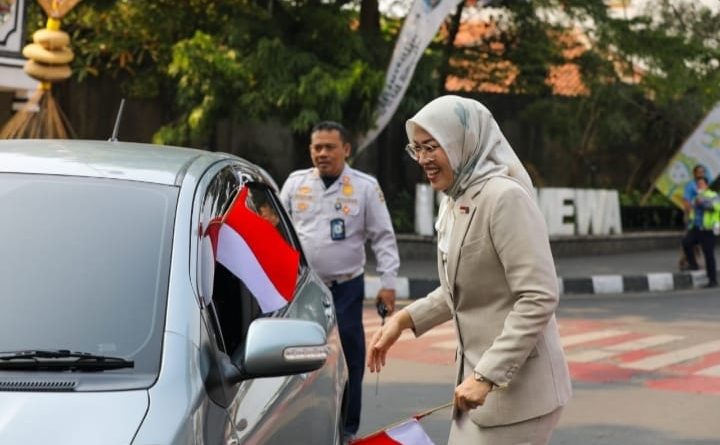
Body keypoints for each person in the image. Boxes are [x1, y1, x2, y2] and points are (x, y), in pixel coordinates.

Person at [367, 96, 572, 445]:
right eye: (416, 148)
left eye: (432, 147)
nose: (423, 159)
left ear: (462, 142)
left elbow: (538, 296)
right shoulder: (457, 197)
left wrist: (487, 376)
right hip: (478, 391)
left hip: (517, 393)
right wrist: (403, 321)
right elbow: (460, 288)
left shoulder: (503, 198)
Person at [280, 120, 400, 442]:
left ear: (346, 149)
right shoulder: (295, 184)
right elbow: (281, 235)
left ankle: (347, 428)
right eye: (316, 147)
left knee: (349, 356)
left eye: (330, 147)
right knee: (299, 355)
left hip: (346, 287)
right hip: (304, 287)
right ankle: (304, 420)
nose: (322, 153)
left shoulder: (364, 187)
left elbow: (383, 238)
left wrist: (389, 284)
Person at [682, 176, 719, 287]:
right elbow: (693, 213)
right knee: (686, 243)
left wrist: (701, 202)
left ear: (707, 185)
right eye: (698, 185)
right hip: (696, 228)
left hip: (708, 229)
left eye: (702, 184)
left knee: (708, 254)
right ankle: (694, 265)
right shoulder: (696, 197)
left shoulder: (714, 196)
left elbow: (715, 208)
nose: (699, 186)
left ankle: (712, 280)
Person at [681, 165, 708, 271]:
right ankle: (687, 261)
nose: (701, 174)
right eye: (699, 172)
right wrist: (691, 214)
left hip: (703, 219)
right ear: (694, 173)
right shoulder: (691, 185)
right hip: (692, 216)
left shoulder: (705, 184)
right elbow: (686, 201)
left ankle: (690, 261)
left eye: (703, 172)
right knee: (689, 241)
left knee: (698, 242)